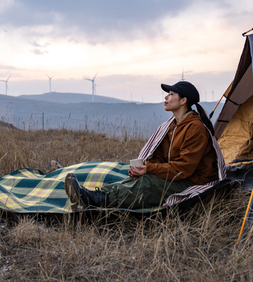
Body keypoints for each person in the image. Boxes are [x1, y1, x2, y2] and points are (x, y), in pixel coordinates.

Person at [65, 81, 224, 209]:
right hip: (177, 175)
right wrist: (143, 169)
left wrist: (150, 169)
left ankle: (96, 200)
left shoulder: (195, 128)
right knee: (136, 179)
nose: (166, 97)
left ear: (183, 101)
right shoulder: (170, 127)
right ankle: (94, 196)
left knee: (147, 184)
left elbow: (184, 168)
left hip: (192, 181)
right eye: (167, 94)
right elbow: (160, 158)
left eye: (171, 94)